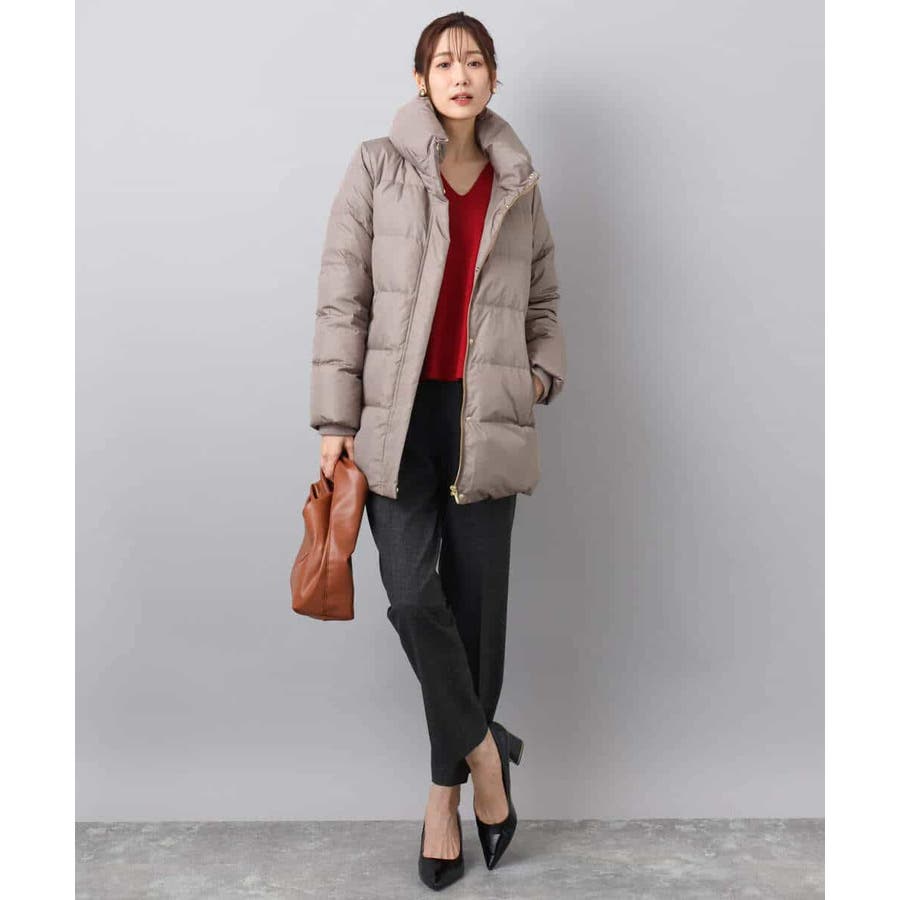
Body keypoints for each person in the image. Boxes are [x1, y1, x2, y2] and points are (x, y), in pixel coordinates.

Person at [309, 12, 566, 890]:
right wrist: (335, 422)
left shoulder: (517, 181)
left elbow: (544, 296)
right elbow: (342, 298)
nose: (461, 74)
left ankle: (442, 798)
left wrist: (538, 376)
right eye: (444, 61)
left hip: (486, 415)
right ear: (421, 79)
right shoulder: (376, 167)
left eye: (475, 60)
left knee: (477, 615)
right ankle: (488, 756)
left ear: (493, 78)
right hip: (397, 418)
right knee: (416, 596)